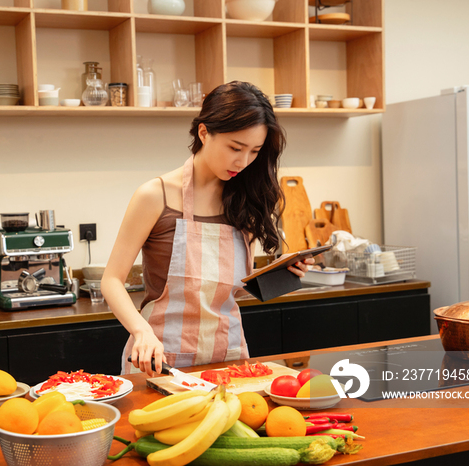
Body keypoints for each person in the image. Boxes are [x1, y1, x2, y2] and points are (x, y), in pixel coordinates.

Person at [101, 81, 312, 377]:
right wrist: (141, 331)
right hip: (160, 358)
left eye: (254, 151)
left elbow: (228, 292)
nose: (243, 161)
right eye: (235, 148)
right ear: (204, 132)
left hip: (230, 358)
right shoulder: (155, 195)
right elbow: (111, 280)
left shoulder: (244, 202)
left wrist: (280, 276)